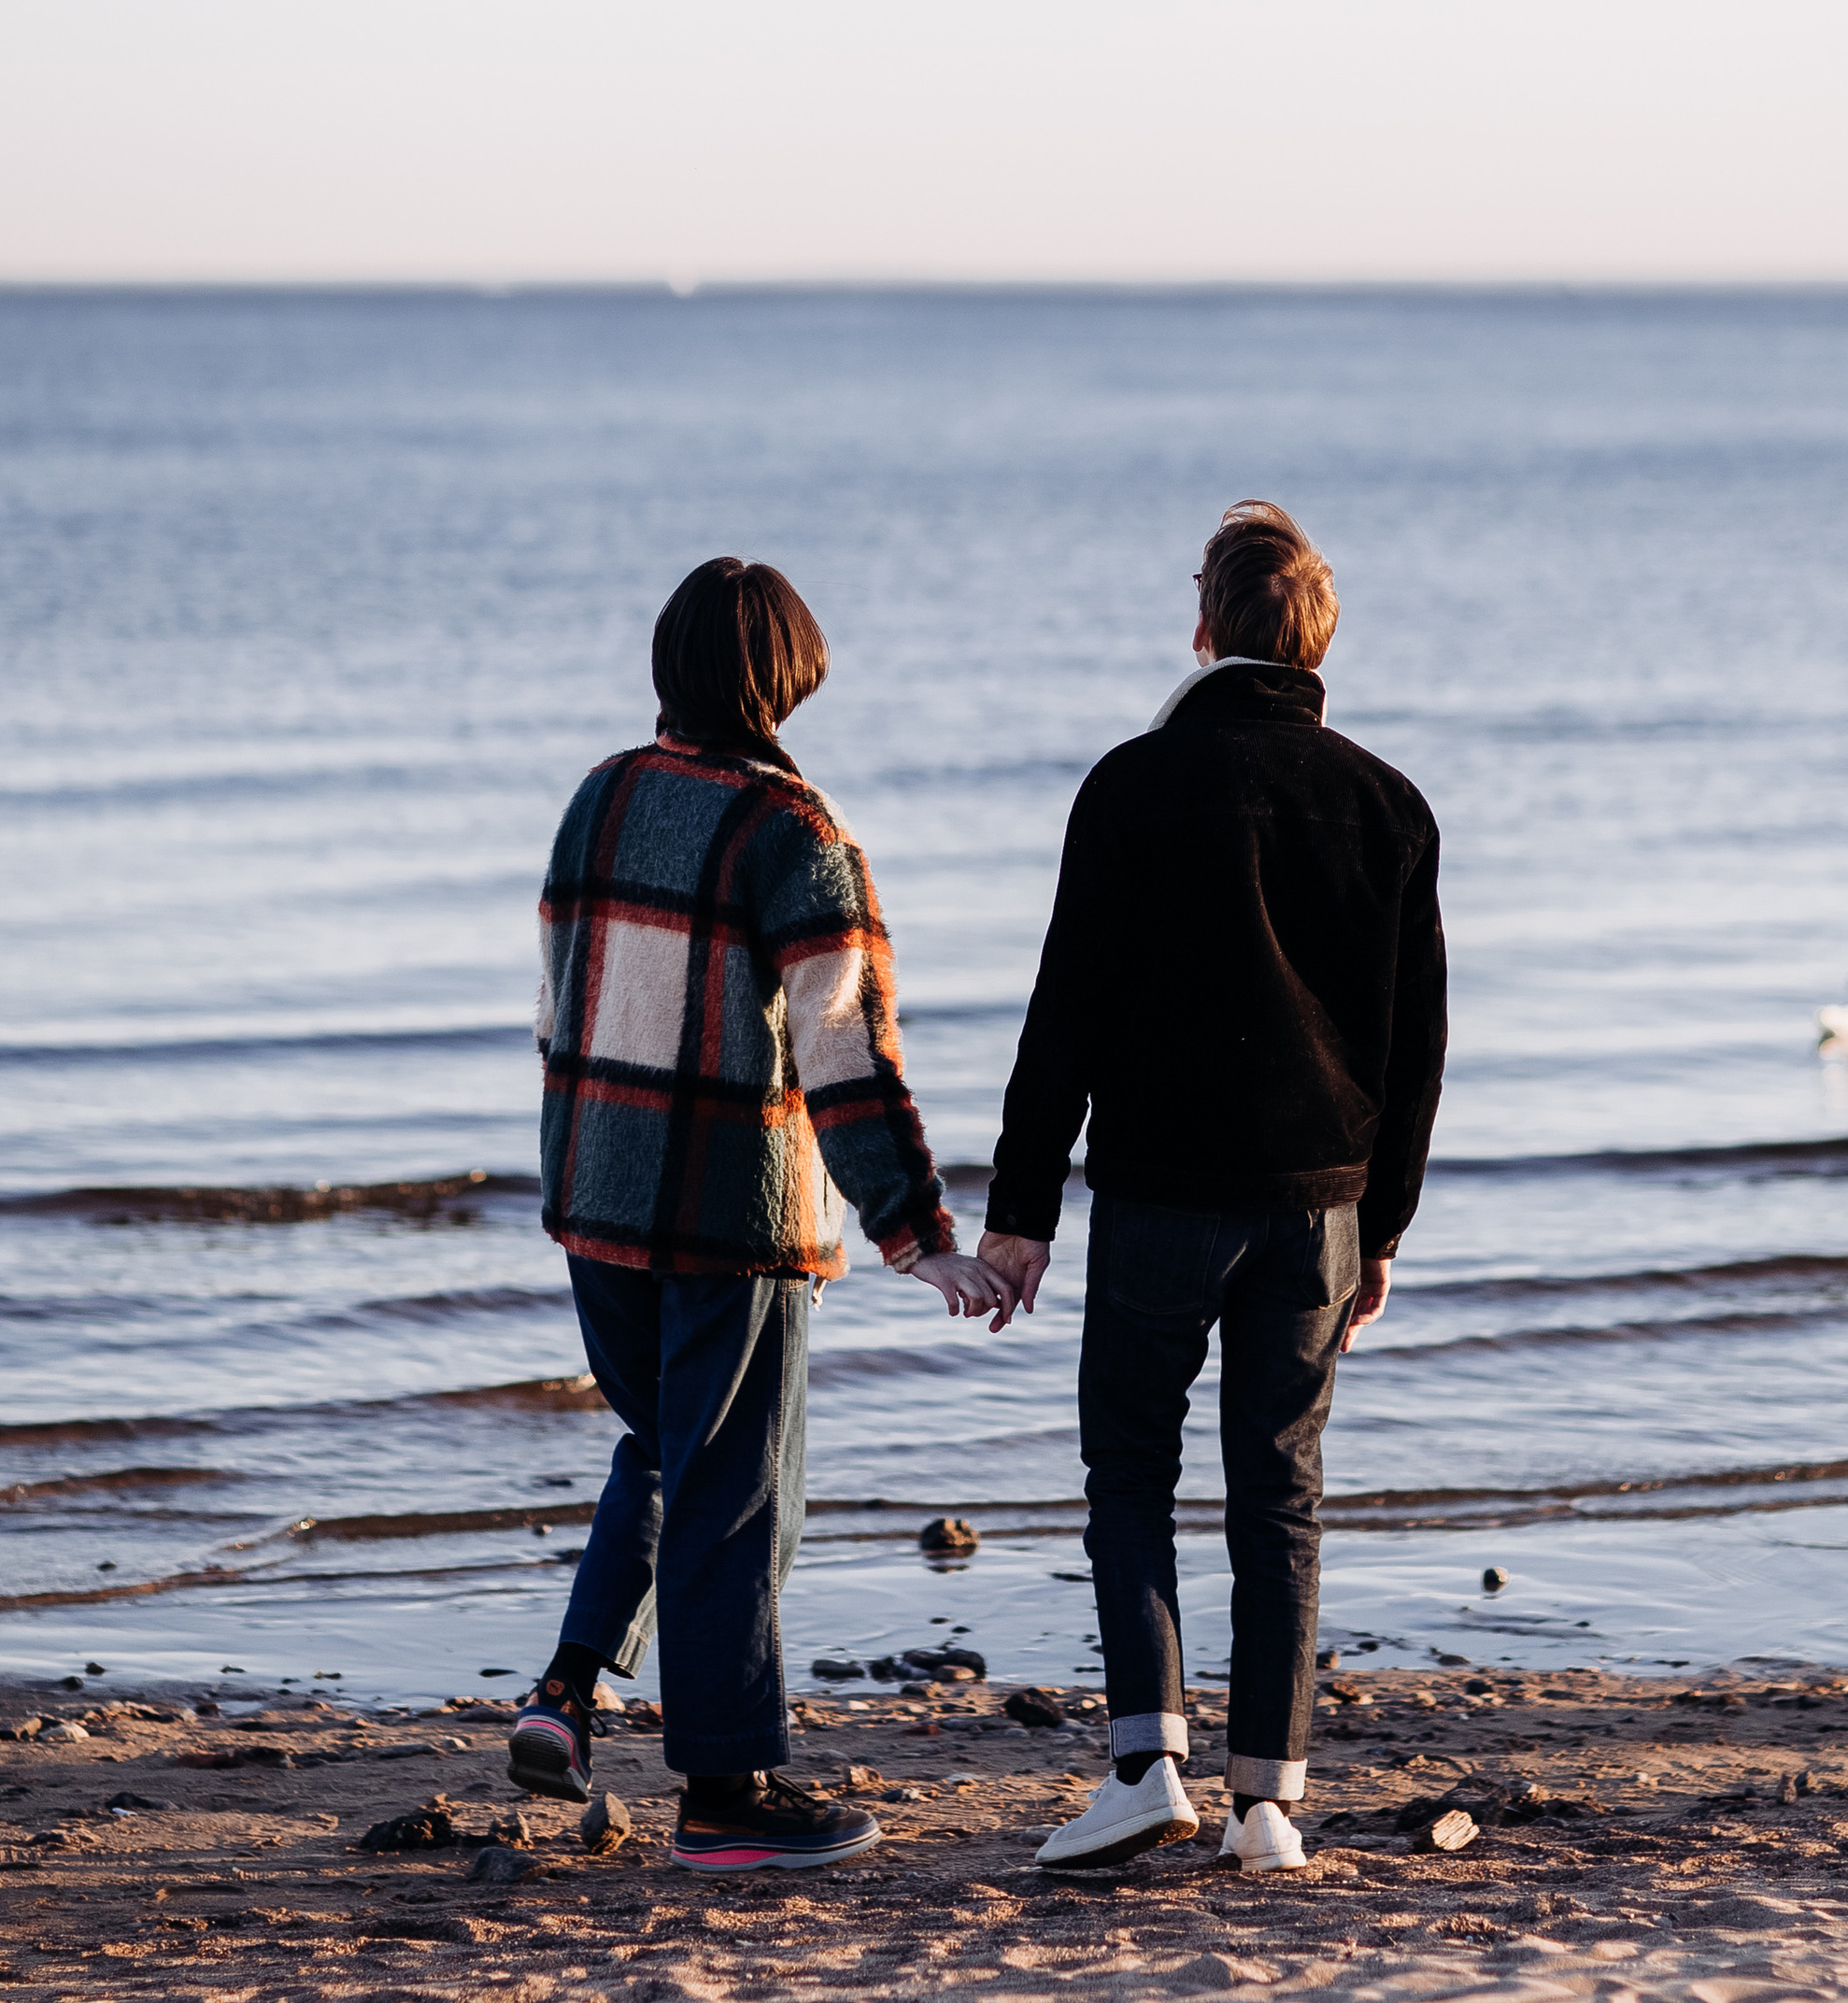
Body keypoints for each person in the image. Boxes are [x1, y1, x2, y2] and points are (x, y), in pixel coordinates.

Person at [510, 555, 1007, 1870]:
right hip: (731, 1216)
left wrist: (579, 1163)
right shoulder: (797, 835)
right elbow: (845, 1050)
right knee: (735, 1486)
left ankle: (567, 1690)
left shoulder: (597, 799)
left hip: (596, 1198)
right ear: (787, 677)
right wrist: (920, 1235)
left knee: (672, 1451)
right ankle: (726, 1800)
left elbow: (559, 1008)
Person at [977, 500, 1445, 1875]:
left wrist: (1019, 1213)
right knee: (1280, 1489)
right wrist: (1388, 1227)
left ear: (1203, 628)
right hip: (1317, 1205)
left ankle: (1144, 1764)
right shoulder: (1386, 803)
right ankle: (1269, 1804)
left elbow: (1063, 1014)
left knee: (1130, 1468)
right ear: (1322, 641)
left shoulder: (1128, 788)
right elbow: (1414, 1048)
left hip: (1159, 1199)